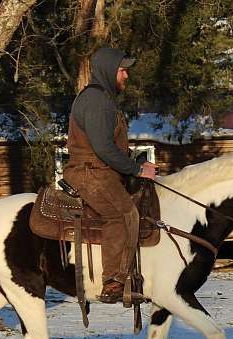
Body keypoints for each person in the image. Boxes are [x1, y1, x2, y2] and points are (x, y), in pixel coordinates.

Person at [63, 46, 158, 303]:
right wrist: (138, 169)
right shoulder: (97, 102)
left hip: (98, 170)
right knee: (123, 213)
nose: (126, 75)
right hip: (91, 172)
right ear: (108, 70)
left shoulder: (101, 98)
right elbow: (103, 148)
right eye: (122, 70)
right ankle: (114, 282)